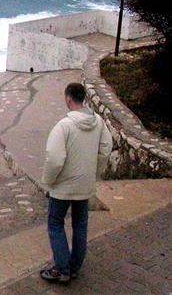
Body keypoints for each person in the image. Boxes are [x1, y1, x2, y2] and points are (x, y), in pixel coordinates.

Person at [40, 82, 113, 284]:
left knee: (55, 224)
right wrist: (93, 172)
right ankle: (74, 267)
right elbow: (106, 148)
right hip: (84, 186)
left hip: (62, 188)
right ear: (84, 99)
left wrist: (48, 181)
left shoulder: (64, 126)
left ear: (69, 99)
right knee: (80, 225)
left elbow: (54, 159)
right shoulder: (98, 122)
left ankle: (61, 269)